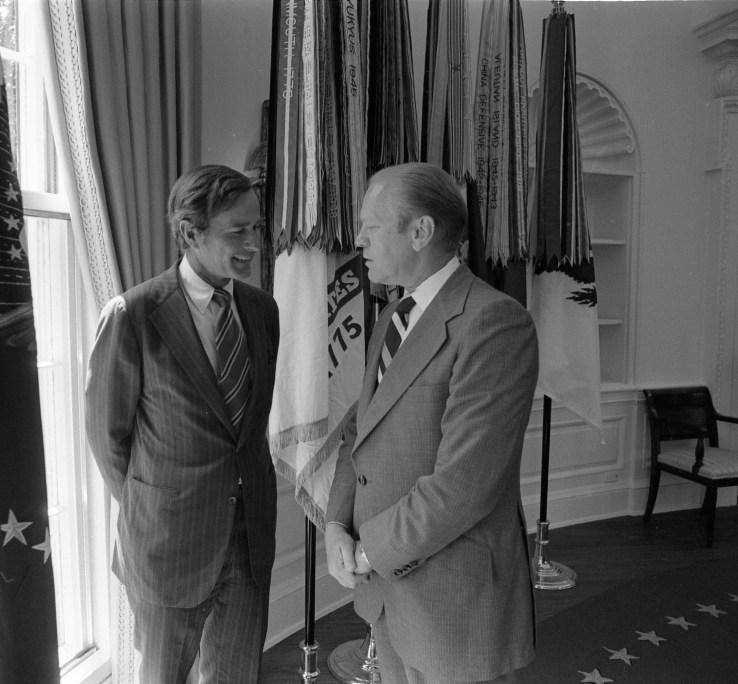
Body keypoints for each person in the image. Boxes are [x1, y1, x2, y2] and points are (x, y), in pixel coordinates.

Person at [325, 162, 538, 683]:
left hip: (453, 606)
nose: (359, 239)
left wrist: (367, 550)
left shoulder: (493, 322)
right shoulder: (391, 318)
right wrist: (334, 525)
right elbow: (359, 432)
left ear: (420, 231)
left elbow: (463, 485)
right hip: (387, 598)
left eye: (371, 226)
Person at [85, 164, 279, 683]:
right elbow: (108, 438)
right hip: (167, 545)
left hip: (250, 540)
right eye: (237, 231)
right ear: (191, 233)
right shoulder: (132, 314)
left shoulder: (264, 310)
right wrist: (158, 507)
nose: (253, 243)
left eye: (256, 227)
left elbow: (249, 426)